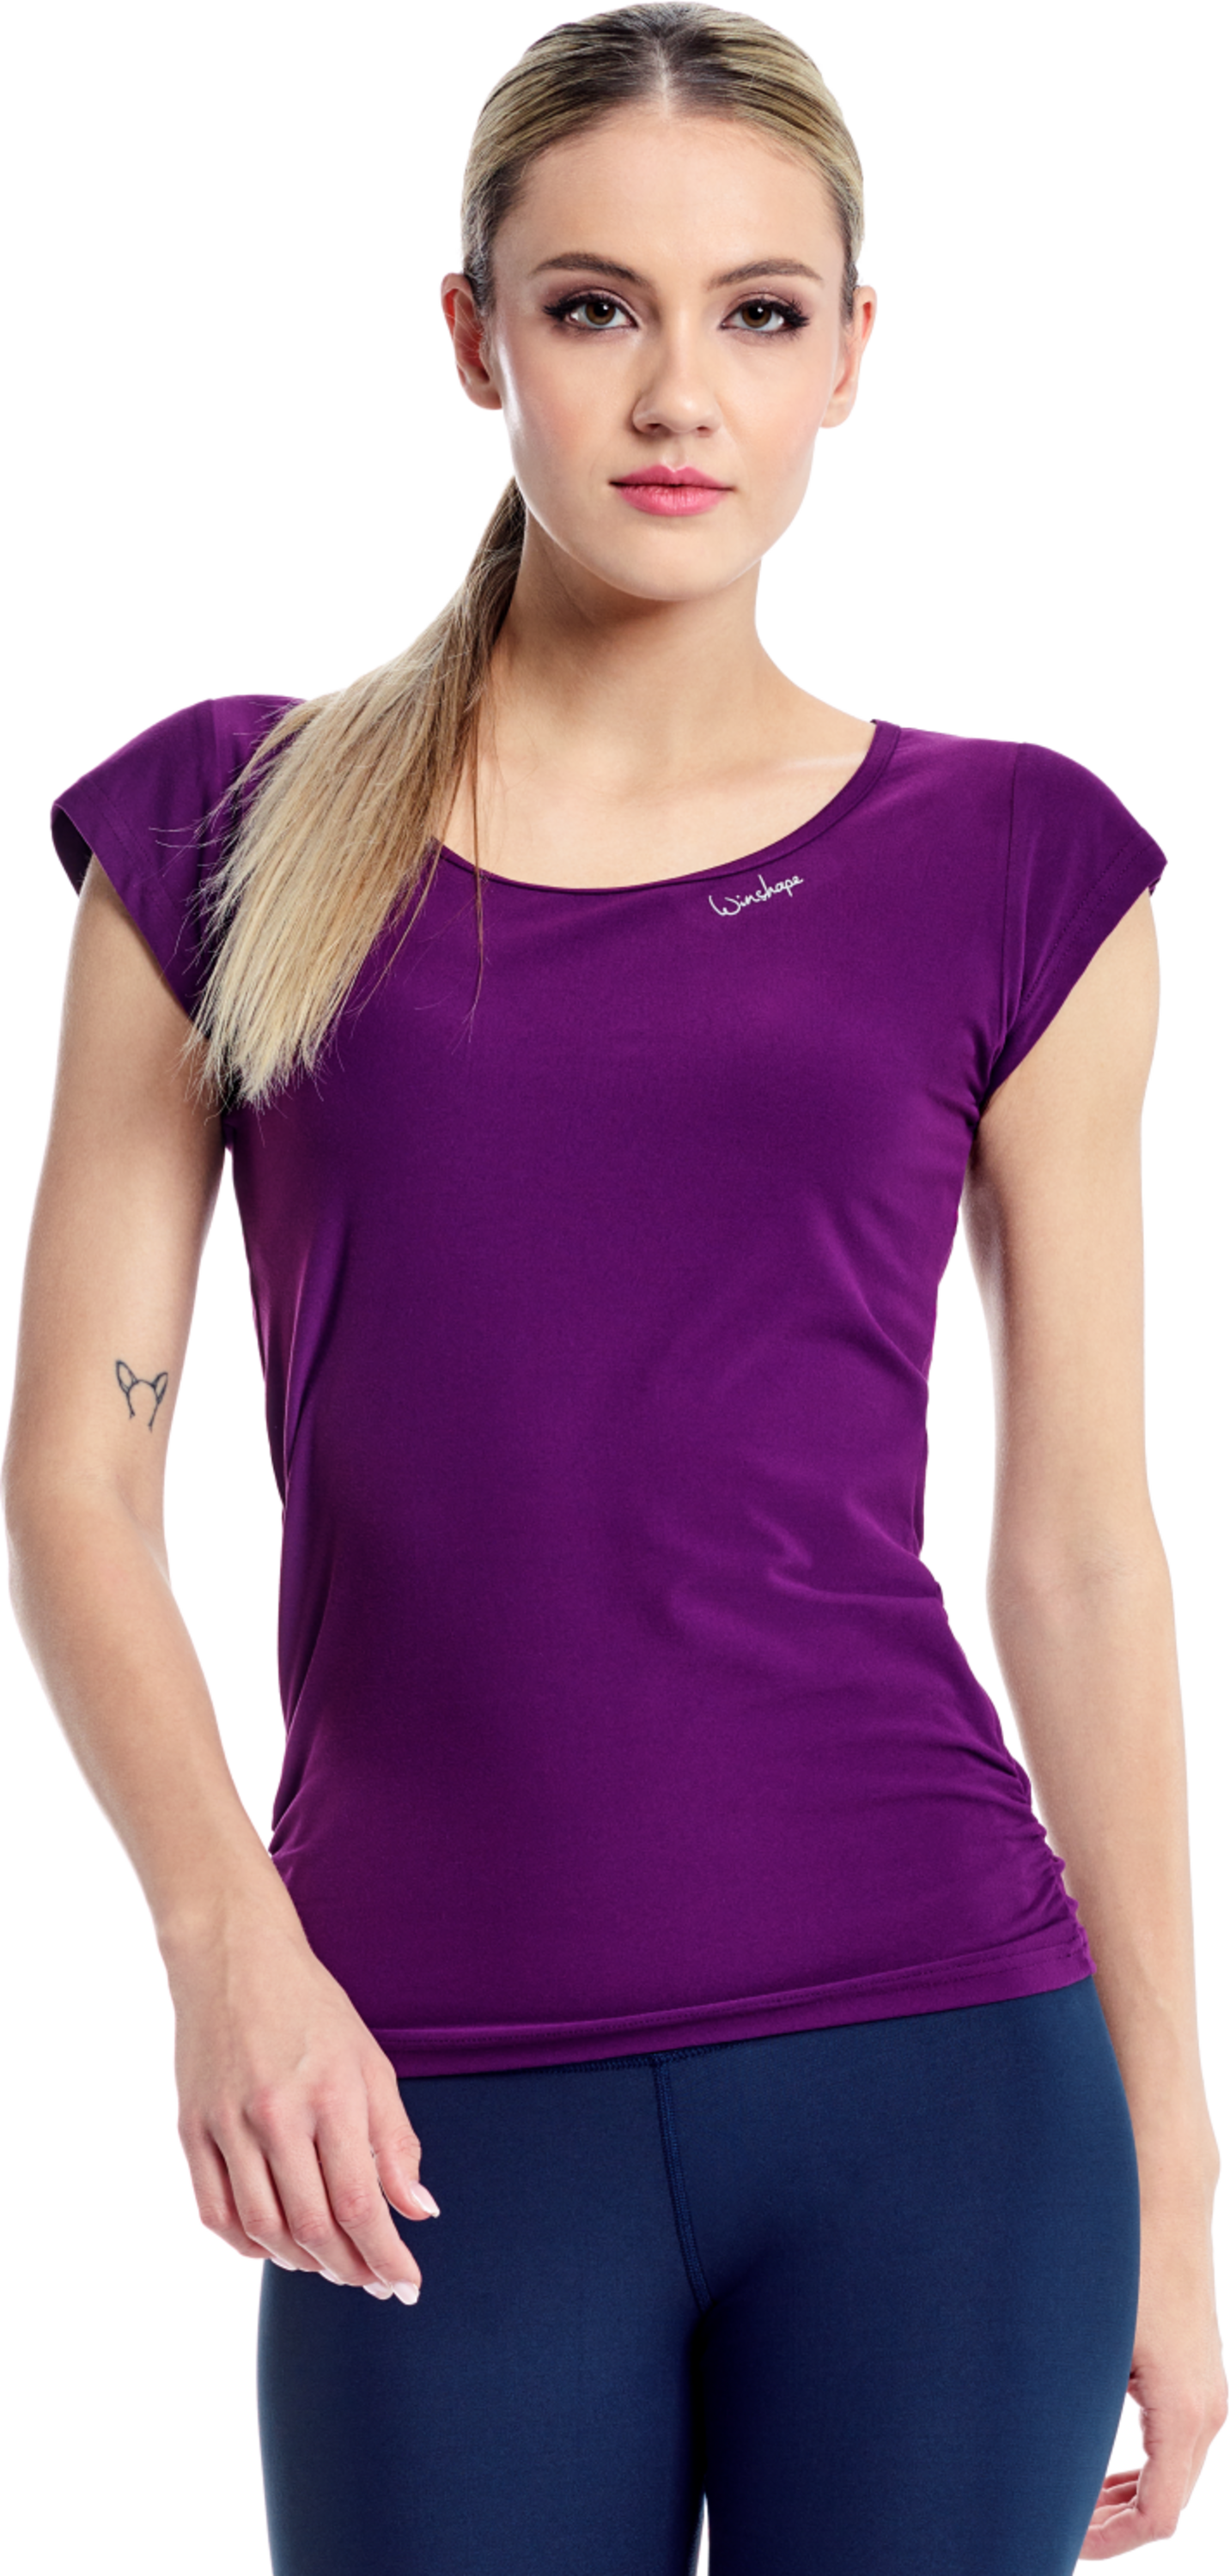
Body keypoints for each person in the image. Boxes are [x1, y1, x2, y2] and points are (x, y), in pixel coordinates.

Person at [9, 6, 1224, 2569]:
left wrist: (1179, 2174)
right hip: (407, 2083)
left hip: (941, 2064)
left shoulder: (1016, 861)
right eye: (597, 308)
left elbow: (1081, 1552)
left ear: (851, 352)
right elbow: (77, 1484)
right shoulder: (231, 824)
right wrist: (227, 1948)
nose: (680, 394)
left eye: (758, 313)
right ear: (475, 338)